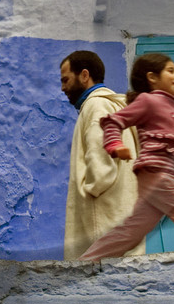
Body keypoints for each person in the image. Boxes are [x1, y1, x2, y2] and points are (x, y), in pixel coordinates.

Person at [79, 52, 174, 260]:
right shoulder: (148, 101)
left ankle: (87, 261)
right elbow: (114, 121)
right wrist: (115, 145)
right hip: (157, 173)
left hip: (162, 178)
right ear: (152, 77)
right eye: (170, 71)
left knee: (131, 232)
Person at [60, 50, 142, 260]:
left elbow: (101, 159)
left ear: (84, 75)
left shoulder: (96, 105)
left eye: (66, 80)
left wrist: (91, 188)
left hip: (103, 223)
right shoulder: (114, 105)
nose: (63, 88)